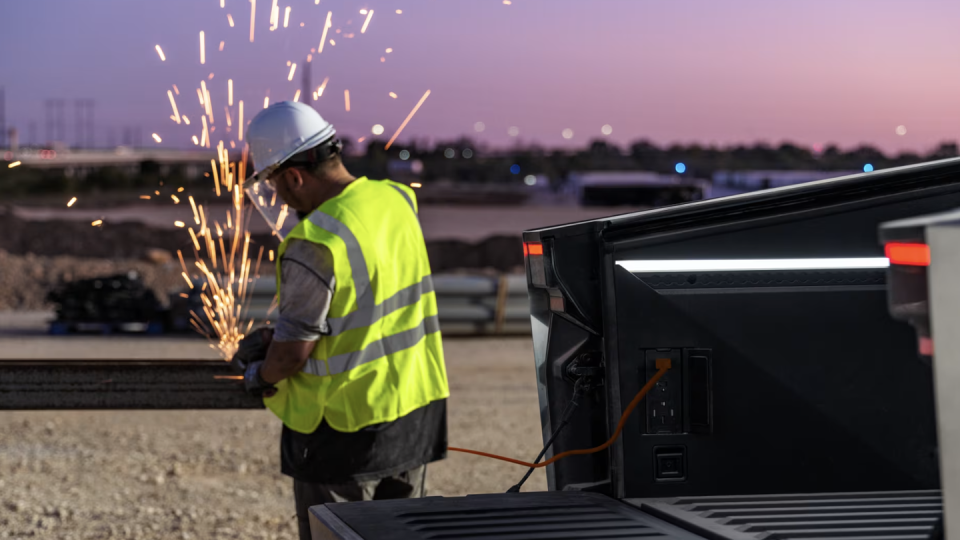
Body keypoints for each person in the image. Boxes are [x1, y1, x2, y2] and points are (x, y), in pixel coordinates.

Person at [232, 101, 450, 540]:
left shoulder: (314, 240)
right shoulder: (395, 200)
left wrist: (258, 373)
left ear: (294, 176)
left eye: (275, 185)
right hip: (414, 408)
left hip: (343, 431)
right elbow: (372, 304)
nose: (278, 197)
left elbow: (292, 355)